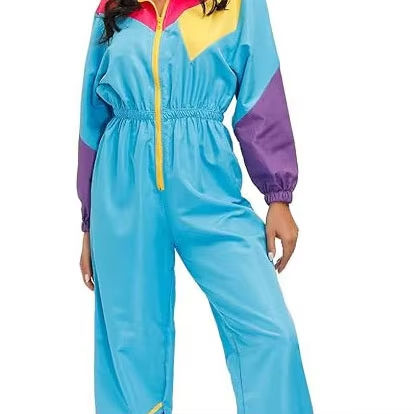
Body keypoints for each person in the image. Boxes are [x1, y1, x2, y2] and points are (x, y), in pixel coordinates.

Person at [77, 0, 313, 413]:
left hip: (207, 183)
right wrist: (88, 222)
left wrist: (278, 195)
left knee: (271, 332)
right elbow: (92, 117)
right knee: (130, 344)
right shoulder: (113, 9)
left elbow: (261, 93)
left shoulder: (237, 5)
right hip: (121, 186)